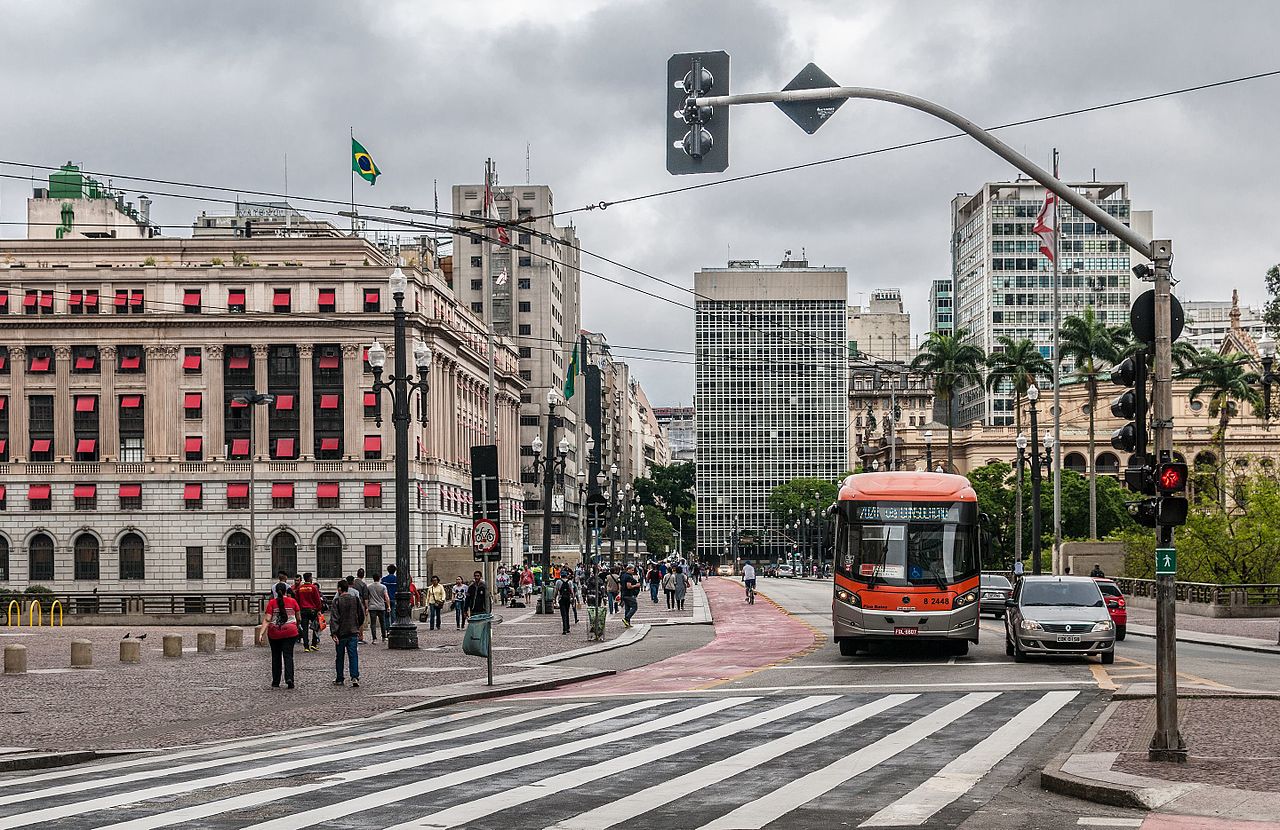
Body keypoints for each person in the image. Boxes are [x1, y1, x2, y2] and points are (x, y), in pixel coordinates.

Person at [263, 582, 300, 689]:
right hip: (290, 631)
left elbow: (267, 619)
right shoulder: (293, 601)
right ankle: (289, 678)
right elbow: (298, 617)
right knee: (288, 656)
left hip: (275, 632)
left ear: (275, 591)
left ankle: (276, 681)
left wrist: (261, 633)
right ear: (286, 591)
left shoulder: (272, 602)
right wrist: (296, 626)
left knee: (276, 657)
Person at [330, 580, 363, 688]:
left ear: (339, 589)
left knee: (340, 656)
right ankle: (354, 676)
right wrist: (357, 625)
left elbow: (334, 618)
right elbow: (361, 614)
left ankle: (340, 678)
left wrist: (334, 633)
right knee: (353, 655)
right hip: (353, 631)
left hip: (341, 632)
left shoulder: (337, 601)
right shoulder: (355, 599)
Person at [295, 572, 323, 652]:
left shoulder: (300, 588)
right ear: (310, 578)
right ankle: (314, 644)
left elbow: (297, 599)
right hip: (313, 610)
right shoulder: (313, 587)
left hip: (303, 610)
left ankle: (306, 646)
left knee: (305, 629)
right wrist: (319, 609)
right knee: (316, 627)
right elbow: (317, 600)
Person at [366, 575, 390, 642]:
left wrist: (367, 607)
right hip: (381, 606)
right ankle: (384, 637)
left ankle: (374, 638)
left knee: (373, 623)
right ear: (379, 578)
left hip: (372, 606)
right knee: (383, 622)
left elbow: (367, 597)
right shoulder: (383, 587)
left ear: (373, 578)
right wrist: (388, 606)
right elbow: (386, 597)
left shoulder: (369, 587)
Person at [351, 570, 372, 643]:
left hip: (351, 603)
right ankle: (360, 637)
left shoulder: (353, 583)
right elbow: (365, 598)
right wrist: (367, 607)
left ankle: (353, 635)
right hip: (360, 604)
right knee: (360, 620)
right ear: (363, 575)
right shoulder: (363, 584)